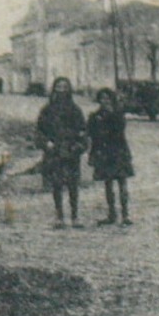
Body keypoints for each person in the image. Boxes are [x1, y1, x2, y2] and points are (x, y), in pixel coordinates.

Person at [37, 76, 89, 227]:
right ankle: (59, 217)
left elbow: (82, 130)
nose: (62, 90)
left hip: (71, 150)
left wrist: (79, 145)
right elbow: (40, 130)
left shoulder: (75, 110)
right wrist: (46, 142)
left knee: (73, 184)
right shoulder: (48, 110)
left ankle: (75, 216)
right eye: (59, 87)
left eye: (65, 87)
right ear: (54, 89)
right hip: (54, 151)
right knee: (56, 184)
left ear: (69, 89)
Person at [87, 87, 136, 224]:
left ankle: (125, 214)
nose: (105, 101)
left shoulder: (118, 114)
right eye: (102, 99)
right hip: (103, 153)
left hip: (118, 152)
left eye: (107, 98)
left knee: (122, 183)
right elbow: (90, 132)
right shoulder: (95, 116)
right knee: (108, 184)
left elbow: (120, 130)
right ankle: (112, 213)